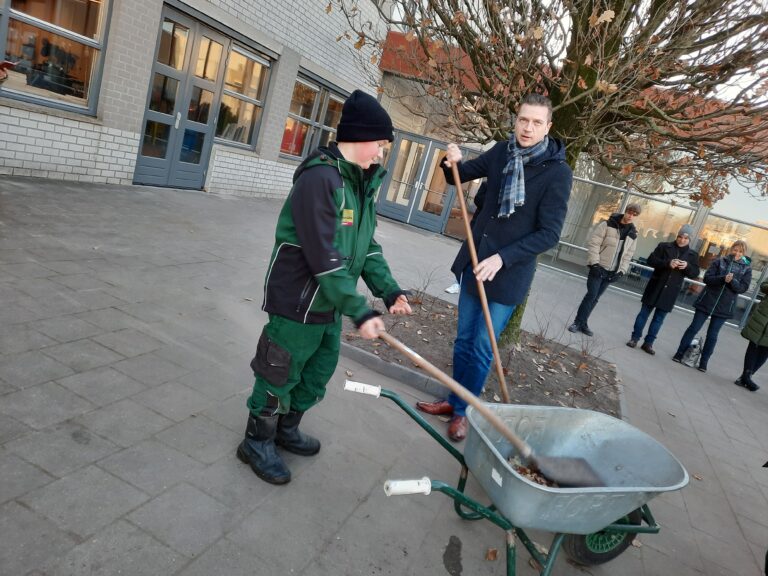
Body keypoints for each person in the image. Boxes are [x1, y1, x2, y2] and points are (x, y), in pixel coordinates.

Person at [238, 90, 412, 484]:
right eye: (381, 144)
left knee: (316, 373)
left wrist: (389, 291)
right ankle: (255, 441)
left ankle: (285, 430)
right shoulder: (321, 180)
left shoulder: (360, 184)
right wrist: (360, 310)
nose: (382, 153)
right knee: (278, 371)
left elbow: (366, 247)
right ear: (361, 136)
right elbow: (323, 256)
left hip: (329, 305)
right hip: (298, 302)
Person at [416, 93, 572, 441]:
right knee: (463, 340)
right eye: (522, 120)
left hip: (507, 274)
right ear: (515, 120)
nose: (527, 128)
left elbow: (549, 234)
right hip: (475, 260)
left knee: (483, 346)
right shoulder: (503, 151)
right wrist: (450, 159)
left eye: (535, 122)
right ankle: (454, 400)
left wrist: (502, 258)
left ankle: (464, 413)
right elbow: (460, 175)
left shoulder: (558, 173)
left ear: (548, 126)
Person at [672, 240, 752, 372]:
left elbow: (742, 288)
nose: (737, 253)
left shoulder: (746, 268)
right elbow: (708, 278)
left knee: (712, 335)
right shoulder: (720, 261)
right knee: (693, 328)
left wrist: (732, 281)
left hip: (724, 306)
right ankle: (679, 354)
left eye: (740, 251)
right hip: (707, 300)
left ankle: (703, 362)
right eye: (735, 250)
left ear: (744, 253)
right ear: (731, 249)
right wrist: (722, 278)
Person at [568, 204, 641, 336]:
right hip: (599, 267)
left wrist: (621, 271)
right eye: (630, 212)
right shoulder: (607, 224)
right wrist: (594, 264)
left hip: (612, 271)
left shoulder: (633, 234)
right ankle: (577, 323)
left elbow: (628, 255)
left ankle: (583, 323)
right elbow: (594, 243)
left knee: (596, 298)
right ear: (625, 212)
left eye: (635, 214)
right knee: (591, 295)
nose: (631, 216)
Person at [626, 225, 700, 354]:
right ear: (677, 236)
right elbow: (651, 260)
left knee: (659, 319)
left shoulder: (692, 255)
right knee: (643, 314)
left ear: (690, 240)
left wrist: (687, 266)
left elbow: (694, 273)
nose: (682, 240)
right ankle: (634, 338)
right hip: (656, 286)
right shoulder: (664, 246)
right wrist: (668, 263)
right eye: (680, 237)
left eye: (686, 238)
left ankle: (648, 343)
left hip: (670, 292)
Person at [734, 280, 768, 392]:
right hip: (763, 314)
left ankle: (746, 377)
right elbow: (763, 286)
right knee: (753, 344)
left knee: (765, 349)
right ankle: (746, 376)